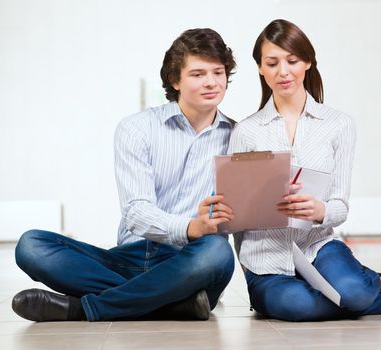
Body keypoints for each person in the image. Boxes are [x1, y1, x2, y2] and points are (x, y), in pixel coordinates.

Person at [12, 28, 237, 322]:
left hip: (191, 260)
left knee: (218, 252)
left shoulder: (239, 137)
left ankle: (87, 308)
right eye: (197, 74)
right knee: (31, 246)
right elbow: (136, 212)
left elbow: (241, 217)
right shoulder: (137, 128)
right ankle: (171, 304)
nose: (211, 82)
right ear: (174, 80)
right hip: (128, 257)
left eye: (218, 72)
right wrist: (190, 226)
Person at [228, 19, 381, 322]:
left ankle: (363, 287)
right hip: (266, 261)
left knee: (353, 291)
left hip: (318, 245)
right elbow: (233, 215)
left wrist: (319, 211)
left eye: (292, 60)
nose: (283, 71)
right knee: (298, 306)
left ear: (308, 62)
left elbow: (340, 206)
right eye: (272, 63)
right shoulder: (245, 132)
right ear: (261, 69)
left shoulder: (339, 125)